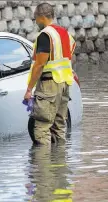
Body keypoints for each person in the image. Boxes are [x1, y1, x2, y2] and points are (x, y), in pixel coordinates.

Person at [24, 2, 76, 146]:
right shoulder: (64, 33)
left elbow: (40, 64)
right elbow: (68, 56)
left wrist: (29, 89)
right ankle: (59, 165)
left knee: (41, 128)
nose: (35, 22)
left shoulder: (45, 35)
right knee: (59, 127)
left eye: (35, 18)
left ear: (41, 17)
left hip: (49, 85)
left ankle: (43, 166)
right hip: (65, 84)